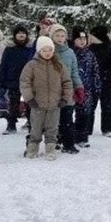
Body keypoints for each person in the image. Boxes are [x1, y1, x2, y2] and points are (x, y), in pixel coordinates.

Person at [20, 36, 74, 160]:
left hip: (55, 104)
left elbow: (67, 82)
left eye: (50, 50)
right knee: (36, 128)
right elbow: (25, 82)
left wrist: (65, 98)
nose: (48, 53)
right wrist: (29, 98)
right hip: (37, 104)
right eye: (44, 50)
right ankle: (33, 148)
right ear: (39, 51)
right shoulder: (31, 65)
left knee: (52, 128)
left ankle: (50, 148)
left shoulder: (59, 65)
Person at [48, 24, 85, 154]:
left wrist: (79, 87)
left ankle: (68, 144)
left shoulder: (70, 53)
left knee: (67, 118)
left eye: (62, 36)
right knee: (52, 119)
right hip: (51, 91)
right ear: (51, 37)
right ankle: (54, 141)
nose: (60, 38)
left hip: (67, 90)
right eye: (57, 35)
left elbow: (74, 71)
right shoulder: (48, 51)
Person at [0, 24, 33, 135]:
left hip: (28, 81)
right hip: (13, 80)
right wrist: (2, 81)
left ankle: (31, 124)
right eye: (19, 33)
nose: (21, 35)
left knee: (29, 103)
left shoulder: (30, 49)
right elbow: (3, 66)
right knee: (13, 103)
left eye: (23, 33)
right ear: (15, 36)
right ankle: (11, 124)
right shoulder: (9, 49)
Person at [71, 25, 101, 148]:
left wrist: (97, 86)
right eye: (79, 39)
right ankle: (67, 136)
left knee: (84, 113)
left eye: (84, 39)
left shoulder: (90, 54)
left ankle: (82, 137)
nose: (82, 41)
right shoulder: (70, 53)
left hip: (87, 89)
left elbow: (95, 71)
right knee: (68, 113)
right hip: (72, 88)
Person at [89, 26, 111, 136]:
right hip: (91, 82)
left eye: (92, 35)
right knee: (90, 105)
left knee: (107, 105)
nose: (90, 37)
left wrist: (107, 73)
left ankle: (107, 128)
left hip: (106, 81)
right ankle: (87, 128)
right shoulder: (89, 48)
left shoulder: (109, 48)